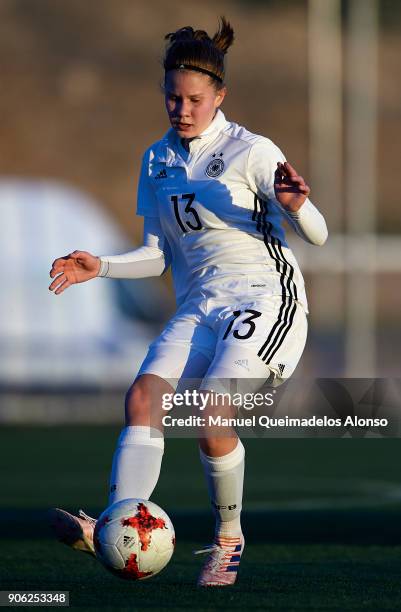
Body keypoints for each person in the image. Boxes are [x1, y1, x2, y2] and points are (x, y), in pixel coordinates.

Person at [49, 17, 328, 587]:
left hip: (264, 299)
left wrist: (298, 206)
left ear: (219, 96)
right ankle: (113, 525)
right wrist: (100, 266)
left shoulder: (252, 151)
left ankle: (229, 540)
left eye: (195, 99)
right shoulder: (157, 160)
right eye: (173, 98)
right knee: (143, 397)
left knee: (212, 411)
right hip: (200, 306)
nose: (182, 109)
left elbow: (317, 234)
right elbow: (158, 256)